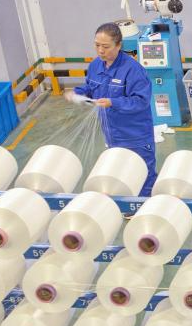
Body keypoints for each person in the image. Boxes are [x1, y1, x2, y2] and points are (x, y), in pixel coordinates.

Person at [65, 22, 158, 196]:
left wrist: (113, 102)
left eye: (106, 46)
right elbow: (90, 87)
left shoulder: (133, 70)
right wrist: (77, 93)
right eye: (97, 45)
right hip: (112, 134)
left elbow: (141, 101)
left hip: (135, 135)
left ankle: (145, 205)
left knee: (143, 175)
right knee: (120, 173)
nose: (100, 51)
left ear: (118, 45)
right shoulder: (95, 66)